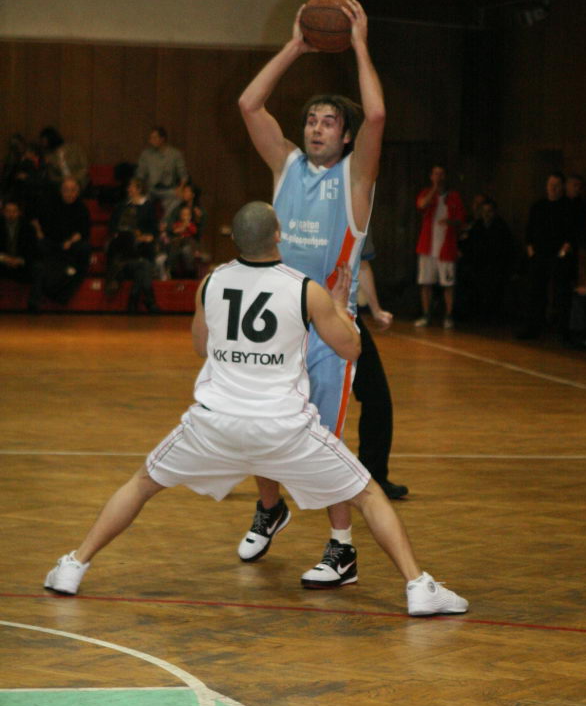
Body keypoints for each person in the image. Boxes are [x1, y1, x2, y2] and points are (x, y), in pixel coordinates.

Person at [44, 202, 468, 617]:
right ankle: (419, 587)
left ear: (235, 239)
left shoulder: (211, 282)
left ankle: (73, 565)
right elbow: (351, 349)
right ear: (278, 235)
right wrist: (340, 308)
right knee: (368, 494)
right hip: (283, 429)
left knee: (141, 485)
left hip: (214, 426)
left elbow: (200, 347)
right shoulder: (305, 289)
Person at [237, 0, 385, 588]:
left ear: (345, 137)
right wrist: (296, 46)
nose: (316, 128)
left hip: (328, 330)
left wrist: (359, 45)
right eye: (311, 120)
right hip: (279, 324)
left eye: (328, 122)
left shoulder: (356, 179)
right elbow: (249, 104)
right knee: (258, 425)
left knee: (323, 442)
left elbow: (377, 116)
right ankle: (270, 509)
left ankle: (342, 550)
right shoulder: (287, 167)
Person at [354, 231, 408, 500]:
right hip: (308, 312)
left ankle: (373, 476)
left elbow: (362, 263)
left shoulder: (357, 216)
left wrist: (375, 310)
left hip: (342, 316)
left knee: (377, 397)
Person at [517, 172, 577, 340]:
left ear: (562, 187)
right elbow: (529, 231)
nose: (553, 188)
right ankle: (533, 327)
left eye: (556, 185)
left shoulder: (568, 207)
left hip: (559, 256)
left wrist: (563, 252)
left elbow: (572, 233)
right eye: (550, 184)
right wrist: (531, 252)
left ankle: (563, 330)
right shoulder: (538, 206)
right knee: (535, 292)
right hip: (539, 255)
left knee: (561, 294)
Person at [28, 177, 91, 311]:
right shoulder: (49, 204)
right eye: (66, 190)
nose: (69, 193)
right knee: (38, 250)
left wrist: (70, 241)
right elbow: (33, 218)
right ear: (61, 191)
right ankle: (37, 298)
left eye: (73, 190)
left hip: (70, 245)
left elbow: (83, 231)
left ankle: (63, 293)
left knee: (84, 249)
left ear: (78, 192)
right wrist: (39, 232)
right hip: (50, 243)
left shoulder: (82, 208)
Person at [414, 164, 466, 329]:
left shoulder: (454, 197)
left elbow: (461, 220)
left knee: (448, 285)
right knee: (425, 283)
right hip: (427, 247)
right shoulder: (426, 193)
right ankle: (426, 315)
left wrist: (450, 222)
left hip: (446, 248)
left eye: (441, 174)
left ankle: (448, 316)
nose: (438, 177)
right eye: (435, 174)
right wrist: (434, 190)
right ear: (431, 177)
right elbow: (421, 205)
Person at [105, 178, 160, 314]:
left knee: (144, 261)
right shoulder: (122, 206)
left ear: (139, 189)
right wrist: (122, 234)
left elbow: (153, 229)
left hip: (142, 246)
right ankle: (147, 300)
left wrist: (145, 236)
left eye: (132, 187)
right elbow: (113, 226)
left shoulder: (148, 207)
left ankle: (134, 299)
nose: (129, 189)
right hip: (125, 246)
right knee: (144, 265)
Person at [135, 126, 188, 217]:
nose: (151, 141)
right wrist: (139, 187)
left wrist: (181, 187)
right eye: (150, 138)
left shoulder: (175, 154)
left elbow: (183, 175)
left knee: (178, 200)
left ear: (162, 139)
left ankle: (165, 223)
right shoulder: (146, 154)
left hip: (168, 189)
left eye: (154, 138)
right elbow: (140, 174)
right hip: (150, 188)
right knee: (138, 200)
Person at [0, 199, 38, 283]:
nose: (11, 214)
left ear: (19, 212)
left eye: (14, 211)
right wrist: (4, 258)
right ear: (3, 212)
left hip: (22, 264)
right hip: (2, 263)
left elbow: (32, 249)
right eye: (8, 211)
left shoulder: (28, 227)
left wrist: (19, 260)